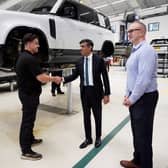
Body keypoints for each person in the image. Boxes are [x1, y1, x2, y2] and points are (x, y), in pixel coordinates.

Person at [16, 33, 60, 161]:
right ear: (28, 44)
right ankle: (26, 150)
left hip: (27, 93)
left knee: (30, 119)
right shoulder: (29, 59)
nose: (38, 46)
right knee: (28, 121)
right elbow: (40, 78)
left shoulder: (23, 56)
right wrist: (54, 78)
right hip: (29, 95)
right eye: (36, 43)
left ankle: (30, 139)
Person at [120, 21, 159, 168]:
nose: (128, 33)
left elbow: (143, 79)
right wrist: (127, 94)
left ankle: (146, 165)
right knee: (137, 132)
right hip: (136, 97)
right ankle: (137, 161)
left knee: (143, 135)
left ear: (142, 32)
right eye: (128, 31)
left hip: (144, 98)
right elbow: (132, 76)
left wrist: (132, 98)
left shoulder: (147, 51)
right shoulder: (136, 50)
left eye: (132, 30)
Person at [61, 39, 110, 148]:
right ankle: (88, 138)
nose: (81, 49)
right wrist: (62, 79)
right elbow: (74, 76)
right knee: (86, 116)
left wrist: (107, 94)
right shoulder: (79, 61)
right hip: (84, 92)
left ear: (90, 47)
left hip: (96, 92)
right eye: (81, 46)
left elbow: (105, 78)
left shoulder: (99, 60)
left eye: (83, 46)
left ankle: (98, 137)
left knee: (97, 116)